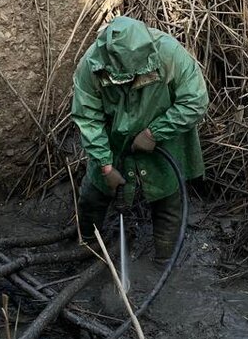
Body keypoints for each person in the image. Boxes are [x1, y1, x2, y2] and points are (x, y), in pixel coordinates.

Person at [70, 16, 209, 260]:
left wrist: (154, 132)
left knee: (167, 198)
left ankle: (165, 259)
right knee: (93, 194)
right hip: (113, 140)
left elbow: (195, 101)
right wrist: (105, 164)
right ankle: (87, 245)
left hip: (164, 138)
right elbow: (87, 116)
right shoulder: (91, 64)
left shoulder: (170, 54)